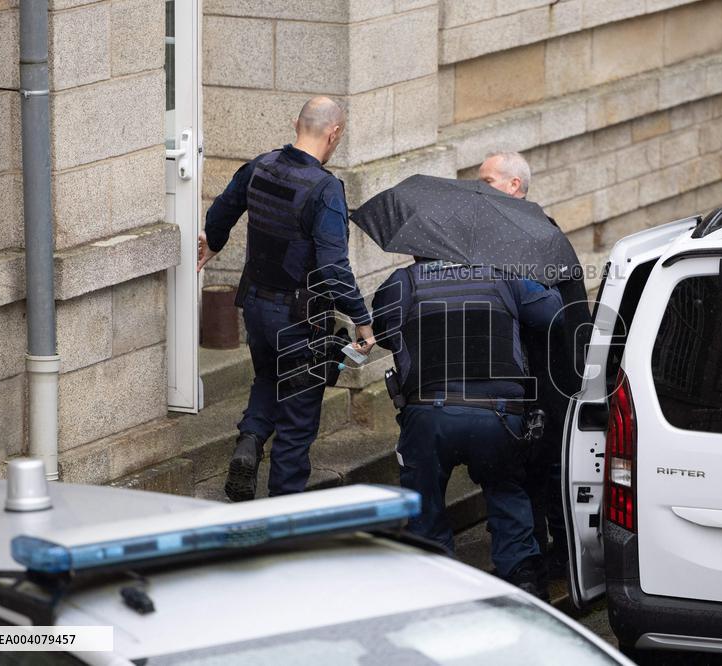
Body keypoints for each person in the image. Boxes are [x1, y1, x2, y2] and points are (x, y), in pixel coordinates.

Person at [198, 96, 375, 501]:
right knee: (297, 418)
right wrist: (361, 321)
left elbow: (224, 207)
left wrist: (214, 241)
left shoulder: (261, 165)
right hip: (300, 320)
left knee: (267, 377)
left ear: (297, 124)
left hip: (257, 308)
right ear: (334, 134)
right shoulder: (326, 189)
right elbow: (333, 267)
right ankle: (283, 514)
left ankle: (249, 441)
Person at [371, 258, 562, 599]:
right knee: (506, 494)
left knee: (423, 505)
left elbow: (384, 328)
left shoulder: (404, 282)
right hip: (499, 417)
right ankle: (525, 586)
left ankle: (440, 591)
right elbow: (552, 313)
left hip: (430, 417)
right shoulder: (502, 273)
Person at [478, 151, 593, 577]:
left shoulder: (535, 235)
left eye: (487, 180)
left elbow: (554, 314)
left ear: (514, 186)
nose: (479, 187)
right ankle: (541, 553)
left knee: (549, 464)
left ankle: (562, 556)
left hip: (552, 373)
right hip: (530, 371)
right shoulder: (515, 233)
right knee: (530, 464)